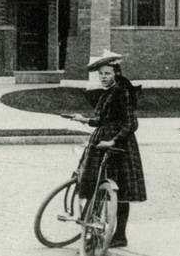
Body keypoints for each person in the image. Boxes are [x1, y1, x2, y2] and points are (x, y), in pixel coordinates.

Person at [69, 51, 146, 249]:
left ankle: (119, 235)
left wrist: (113, 141)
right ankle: (93, 230)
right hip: (101, 141)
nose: (103, 77)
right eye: (101, 74)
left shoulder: (122, 92)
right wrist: (85, 119)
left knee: (118, 191)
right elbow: (104, 120)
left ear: (116, 74)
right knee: (95, 186)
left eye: (107, 73)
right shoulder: (109, 92)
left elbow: (131, 123)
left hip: (118, 145)